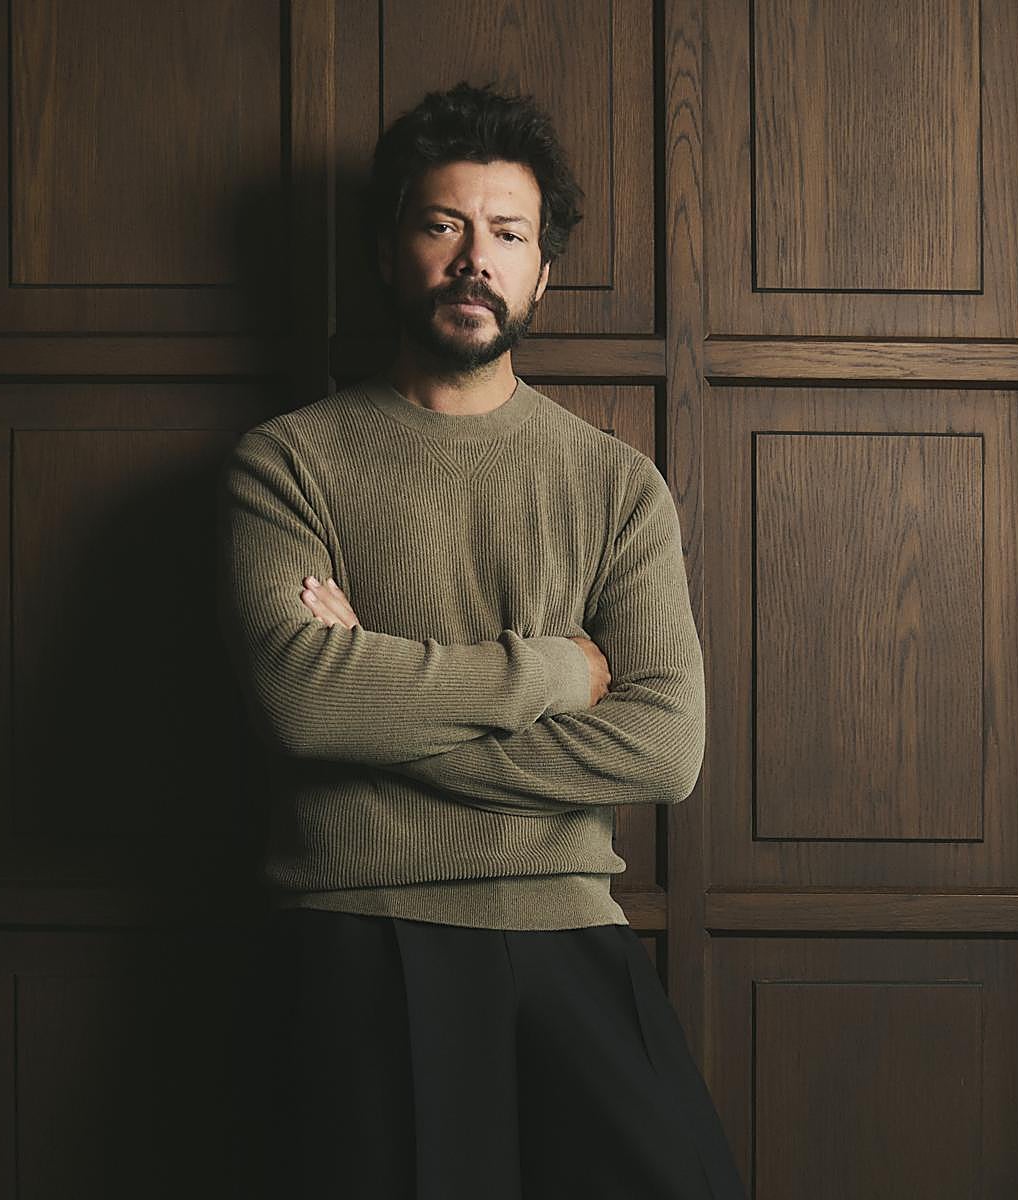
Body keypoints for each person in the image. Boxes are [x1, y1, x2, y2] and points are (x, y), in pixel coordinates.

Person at [218, 81, 747, 1200]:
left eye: (508, 234)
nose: (475, 260)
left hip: (567, 927)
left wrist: (380, 713)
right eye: (443, 225)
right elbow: (304, 705)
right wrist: (555, 669)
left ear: (542, 271)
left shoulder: (616, 484)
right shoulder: (288, 461)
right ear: (388, 251)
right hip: (357, 933)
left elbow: (665, 748)